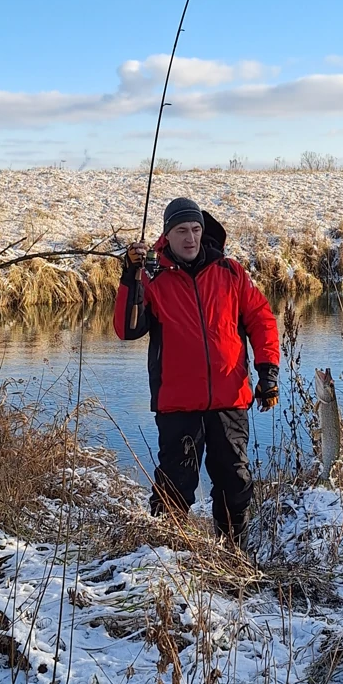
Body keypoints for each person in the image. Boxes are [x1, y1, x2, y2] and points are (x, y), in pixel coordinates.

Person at [114, 197, 280, 550]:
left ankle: (234, 552)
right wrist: (131, 276)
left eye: (195, 230)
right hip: (178, 405)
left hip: (229, 399)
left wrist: (268, 372)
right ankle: (164, 557)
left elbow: (261, 319)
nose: (190, 238)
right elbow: (127, 330)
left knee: (235, 482)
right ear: (167, 235)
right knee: (176, 484)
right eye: (181, 231)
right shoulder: (152, 278)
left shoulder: (230, 271)